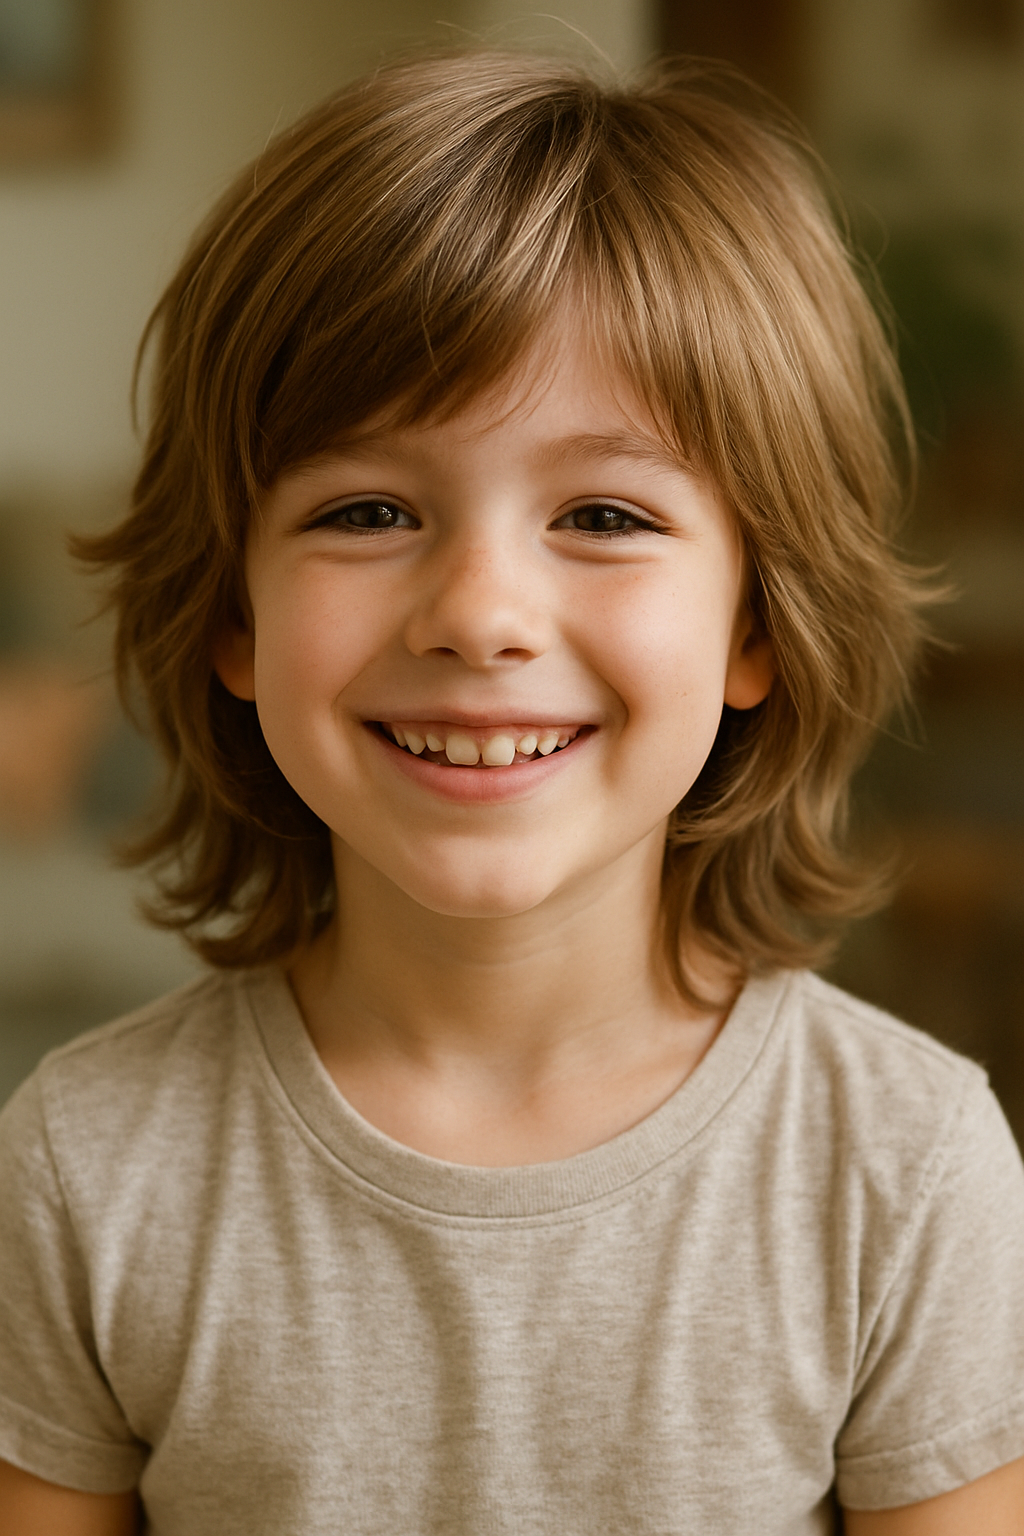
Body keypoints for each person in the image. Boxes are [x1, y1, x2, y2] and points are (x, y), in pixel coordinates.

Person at [1, 49, 1023, 1536]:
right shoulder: (85, 1165)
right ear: (234, 612)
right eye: (368, 510)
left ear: (756, 624)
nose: (480, 615)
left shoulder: (905, 1168)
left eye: (603, 513)